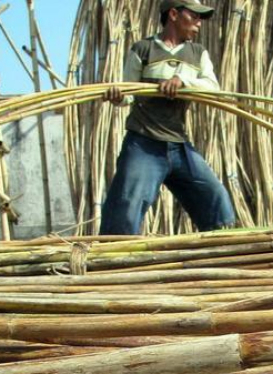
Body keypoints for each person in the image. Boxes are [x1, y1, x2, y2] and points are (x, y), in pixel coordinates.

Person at [100, 0, 235, 235]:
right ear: (173, 14)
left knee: (216, 199)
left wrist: (183, 82)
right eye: (193, 16)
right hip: (144, 141)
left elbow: (213, 88)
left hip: (178, 144)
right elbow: (129, 94)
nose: (198, 22)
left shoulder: (197, 53)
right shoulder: (143, 49)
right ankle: (113, 259)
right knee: (127, 205)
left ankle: (222, 249)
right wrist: (117, 96)